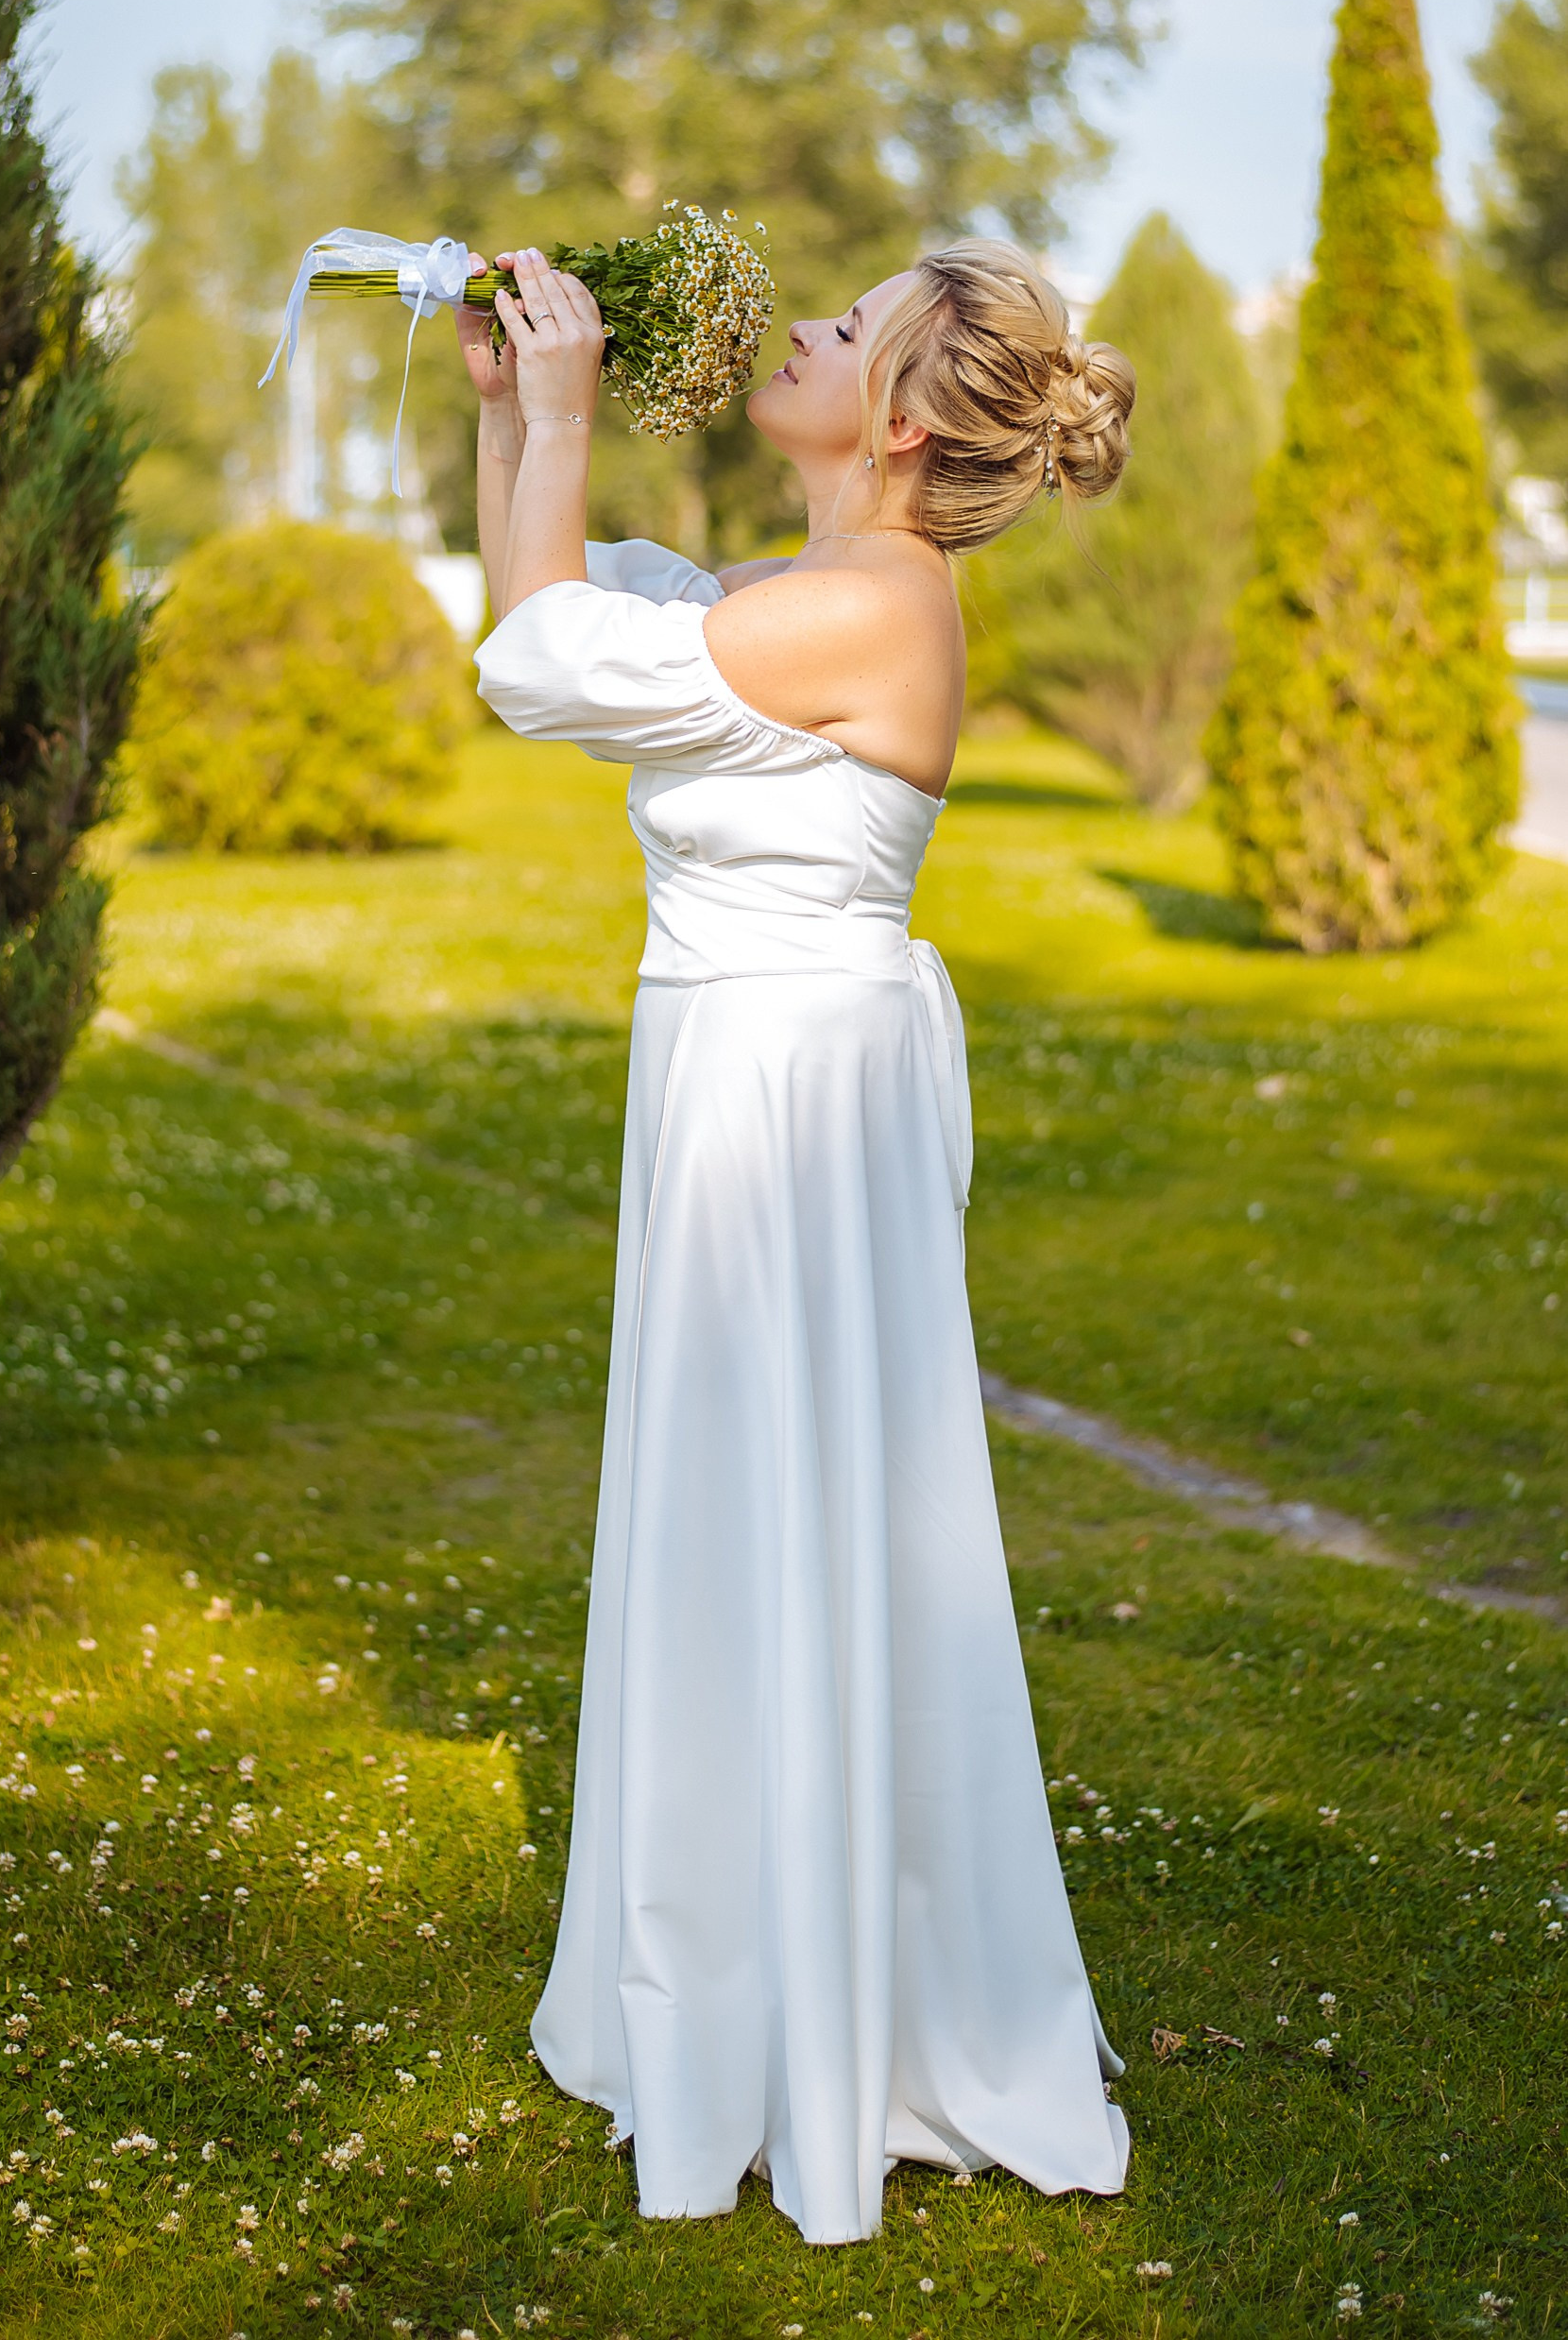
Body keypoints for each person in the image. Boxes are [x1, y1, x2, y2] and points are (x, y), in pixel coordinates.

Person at [456, 240, 1135, 2247]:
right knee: (743, 1518)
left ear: (903, 417)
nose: (802, 337)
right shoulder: (805, 596)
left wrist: (570, 419)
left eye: (842, 331)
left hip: (783, 1099)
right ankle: (755, 1947)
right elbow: (578, 613)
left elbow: (535, 664)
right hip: (744, 1074)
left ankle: (821, 1992)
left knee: (780, 1510)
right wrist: (516, 419)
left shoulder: (864, 605)